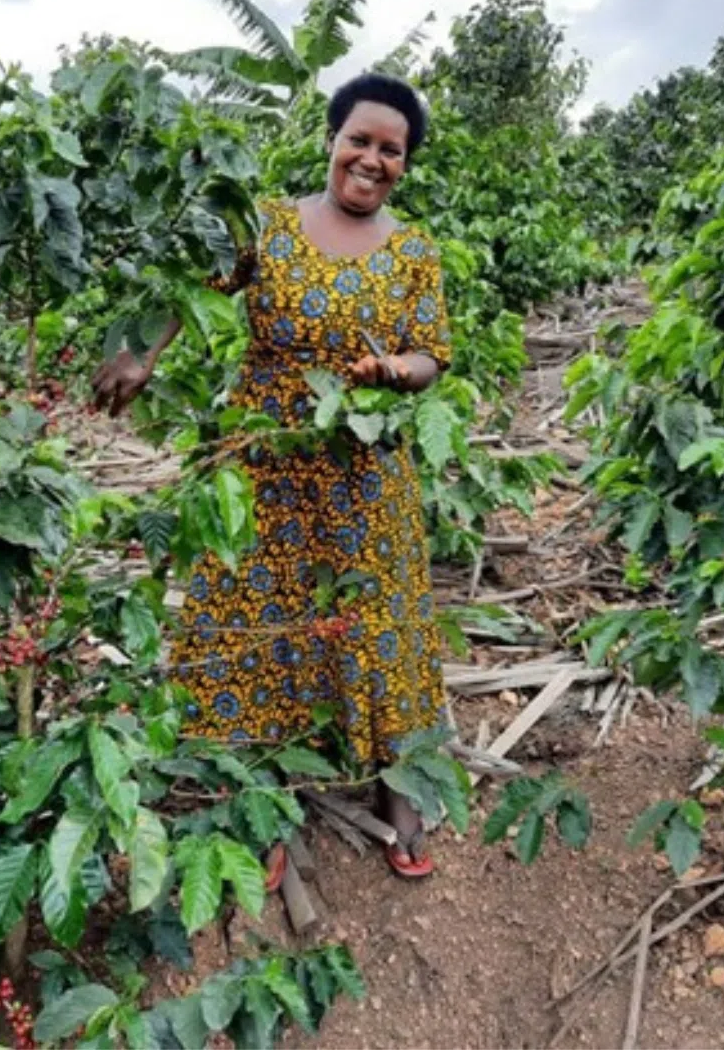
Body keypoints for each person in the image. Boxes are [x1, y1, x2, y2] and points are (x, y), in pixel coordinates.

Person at [92, 72, 452, 880]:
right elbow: (193, 288)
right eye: (358, 139)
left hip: (363, 466)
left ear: (405, 164)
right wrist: (143, 354)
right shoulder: (271, 225)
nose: (371, 159)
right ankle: (253, 791)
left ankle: (400, 786)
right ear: (331, 139)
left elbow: (433, 353)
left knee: (376, 611)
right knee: (256, 607)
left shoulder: (415, 252)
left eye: (390, 150)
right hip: (267, 456)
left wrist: (396, 367)